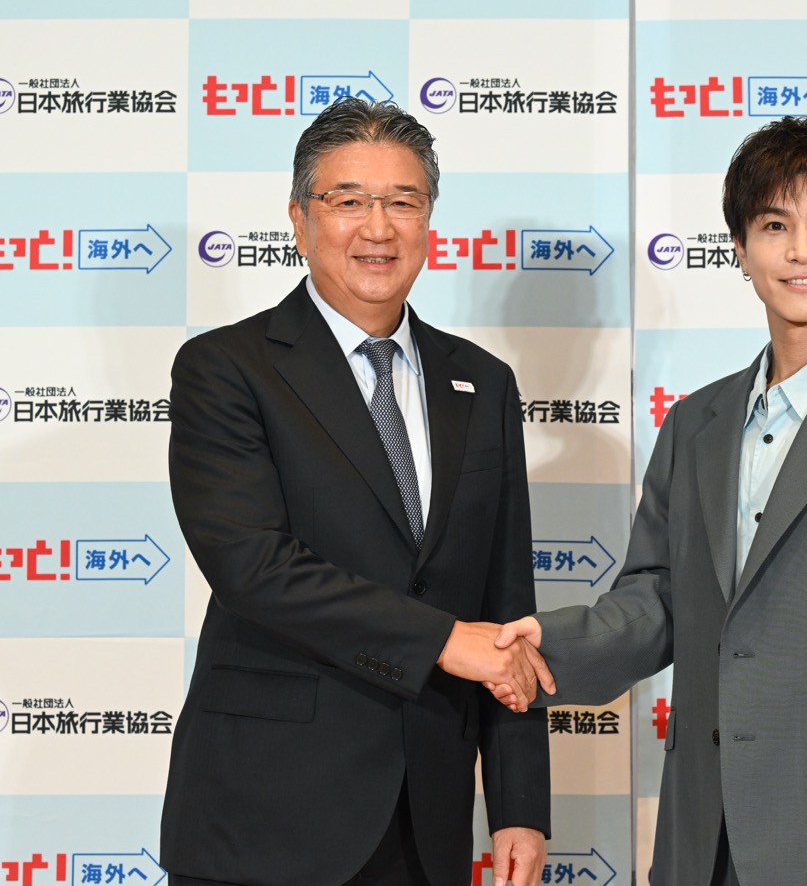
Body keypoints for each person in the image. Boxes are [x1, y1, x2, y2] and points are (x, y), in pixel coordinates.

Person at [492, 115, 807, 886]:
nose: (801, 251)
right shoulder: (697, 421)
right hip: (703, 838)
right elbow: (659, 600)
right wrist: (543, 646)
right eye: (774, 226)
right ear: (740, 248)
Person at [161, 98, 554, 886]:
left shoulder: (482, 383)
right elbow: (253, 566)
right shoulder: (228, 369)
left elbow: (508, 607)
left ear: (429, 221)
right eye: (349, 201)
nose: (379, 227)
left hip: (427, 818)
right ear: (300, 220)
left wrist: (519, 803)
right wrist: (441, 639)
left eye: (403, 202)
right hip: (265, 818)